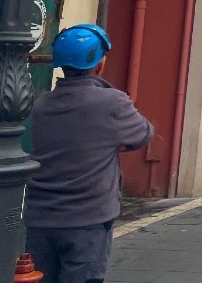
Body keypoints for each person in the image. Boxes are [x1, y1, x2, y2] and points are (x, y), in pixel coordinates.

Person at [24, 24, 153, 283]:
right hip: (87, 220)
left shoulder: (40, 105)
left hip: (40, 219)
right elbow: (143, 134)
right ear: (100, 63)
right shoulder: (112, 102)